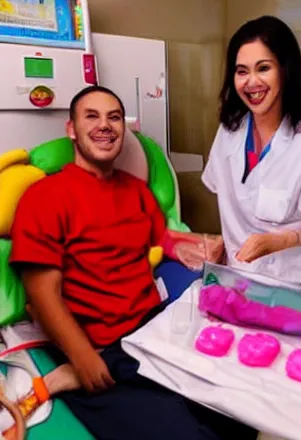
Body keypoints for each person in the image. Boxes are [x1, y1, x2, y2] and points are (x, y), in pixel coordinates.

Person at [9, 86, 257, 440]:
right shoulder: (46, 197)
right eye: (91, 116)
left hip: (149, 333)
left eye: (113, 118)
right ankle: (68, 376)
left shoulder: (135, 191)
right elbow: (40, 290)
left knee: (237, 411)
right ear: (71, 129)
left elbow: (164, 238)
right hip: (95, 346)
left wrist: (201, 246)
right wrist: (81, 355)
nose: (105, 125)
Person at [202, 16, 301, 285]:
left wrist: (282, 240)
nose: (251, 82)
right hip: (235, 275)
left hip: (288, 281)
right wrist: (221, 245)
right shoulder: (229, 130)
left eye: (263, 68)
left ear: (285, 70)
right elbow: (234, 203)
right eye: (241, 71)